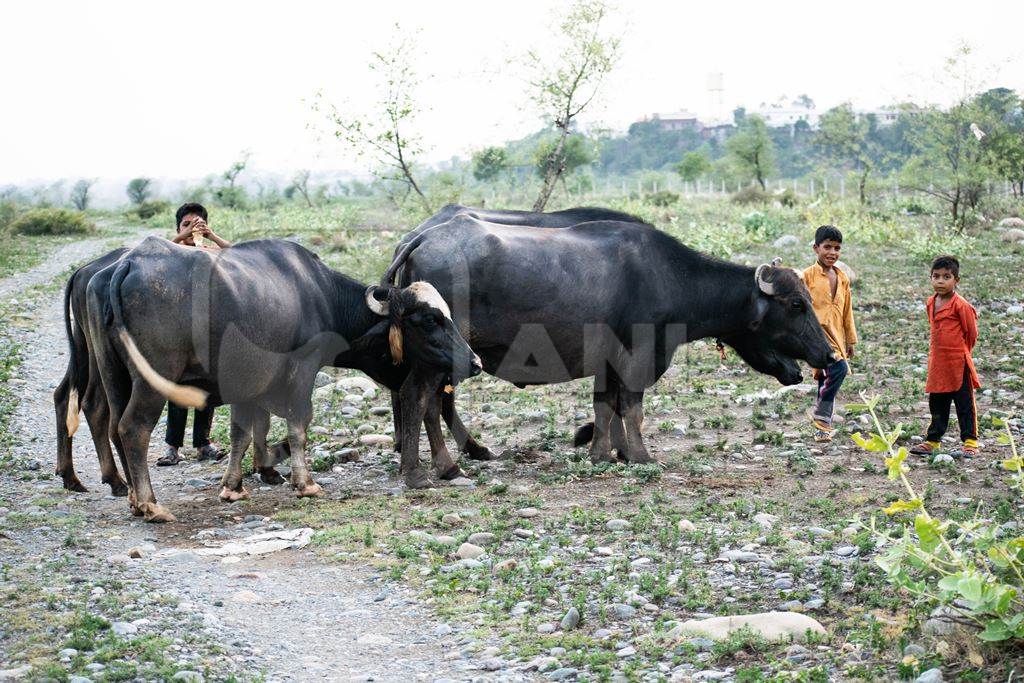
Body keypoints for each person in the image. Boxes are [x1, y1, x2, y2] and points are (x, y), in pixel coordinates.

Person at [156, 203, 230, 466]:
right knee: (177, 388)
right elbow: (154, 254)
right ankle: (171, 447)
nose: (190, 230)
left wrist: (210, 236)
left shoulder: (207, 252)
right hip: (175, 331)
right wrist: (180, 238)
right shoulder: (170, 253)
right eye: (186, 224)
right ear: (177, 228)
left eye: (196, 224)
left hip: (207, 328)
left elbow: (239, 256)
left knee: (205, 388)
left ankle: (203, 444)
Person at [909, 255, 980, 458]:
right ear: (930, 278)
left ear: (956, 280)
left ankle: (970, 441)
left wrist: (962, 353)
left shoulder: (961, 305)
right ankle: (933, 440)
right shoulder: (931, 302)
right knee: (937, 402)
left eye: (946, 277)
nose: (940, 281)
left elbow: (971, 334)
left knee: (964, 403)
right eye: (936, 276)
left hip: (958, 362)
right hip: (938, 363)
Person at [801, 225, 857, 442]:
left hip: (836, 335)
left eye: (837, 248)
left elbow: (846, 310)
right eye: (827, 247)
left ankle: (821, 431)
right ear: (816, 248)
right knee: (839, 369)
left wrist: (850, 339)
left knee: (824, 378)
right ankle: (822, 416)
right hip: (815, 336)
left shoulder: (842, 278)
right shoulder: (807, 276)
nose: (832, 252)